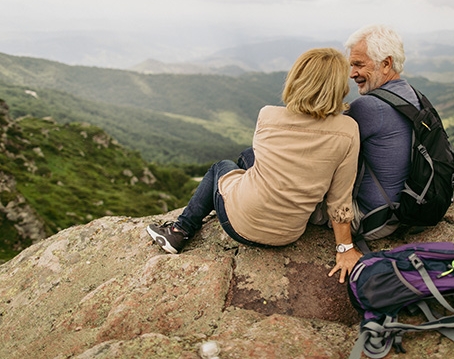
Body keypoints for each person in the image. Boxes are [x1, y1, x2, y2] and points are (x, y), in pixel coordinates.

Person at [147, 48, 362, 282]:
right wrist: (345, 248)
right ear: (339, 87)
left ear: (297, 79)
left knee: (222, 165)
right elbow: (339, 199)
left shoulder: (268, 115)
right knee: (248, 156)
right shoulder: (348, 130)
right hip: (288, 233)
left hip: (239, 224)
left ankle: (179, 231)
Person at [345, 24, 421, 236]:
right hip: (404, 209)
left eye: (359, 65)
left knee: (252, 159)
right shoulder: (412, 95)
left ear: (386, 64)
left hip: (371, 218)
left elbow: (325, 145)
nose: (352, 74)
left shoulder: (369, 107)